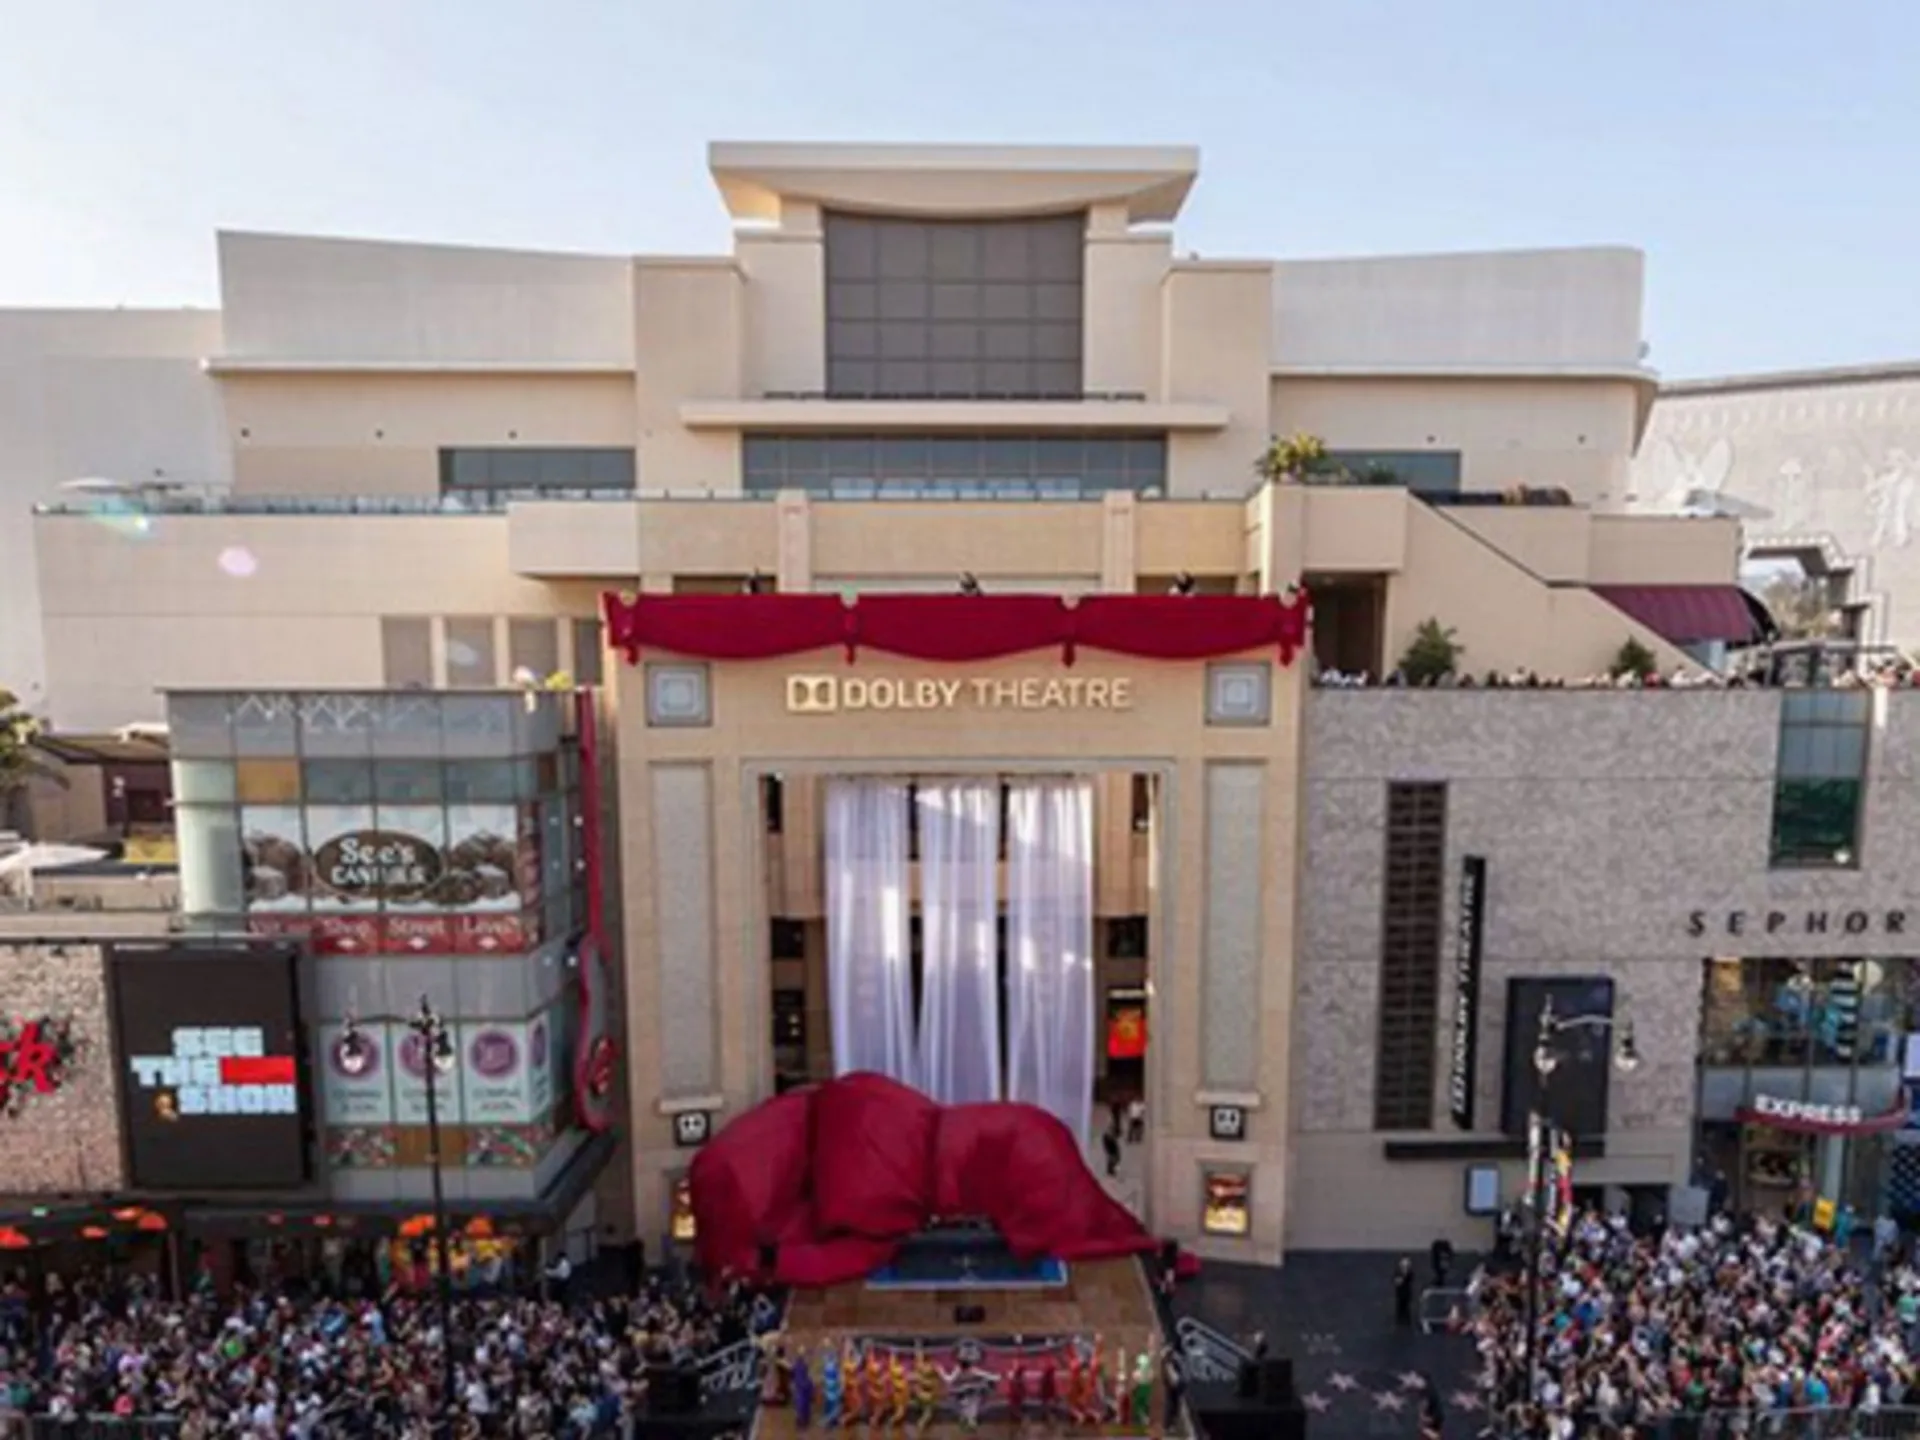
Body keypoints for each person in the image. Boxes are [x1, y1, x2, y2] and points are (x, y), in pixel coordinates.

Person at [1393, 1256, 1416, 1326]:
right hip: (1400, 1293)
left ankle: (1406, 1321)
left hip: (1406, 1293)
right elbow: (1396, 1281)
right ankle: (1400, 1321)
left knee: (1406, 1308)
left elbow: (1410, 1279)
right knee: (1400, 1307)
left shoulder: (1409, 1273)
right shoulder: (1398, 1272)